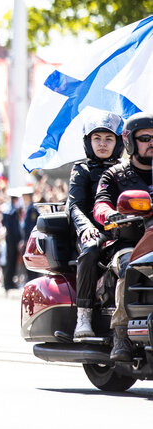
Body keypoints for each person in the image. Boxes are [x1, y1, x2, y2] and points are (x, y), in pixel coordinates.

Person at [93, 111, 153, 361]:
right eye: (145, 138)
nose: (151, 143)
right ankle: (120, 334)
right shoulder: (115, 174)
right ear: (130, 141)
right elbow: (100, 204)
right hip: (128, 243)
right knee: (130, 265)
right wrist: (109, 214)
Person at [68, 111, 124, 339]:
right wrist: (85, 228)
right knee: (90, 250)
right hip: (93, 230)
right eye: (97, 138)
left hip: (122, 229)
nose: (102, 144)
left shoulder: (124, 170)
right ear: (88, 142)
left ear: (118, 142)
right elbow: (74, 205)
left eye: (109, 139)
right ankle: (84, 315)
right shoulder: (82, 170)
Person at [1, 189, 23, 291]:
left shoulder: (8, 210)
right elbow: (14, 228)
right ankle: (8, 283)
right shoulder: (12, 211)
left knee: (11, 261)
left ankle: (9, 282)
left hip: (9, 239)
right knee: (11, 261)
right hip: (12, 240)